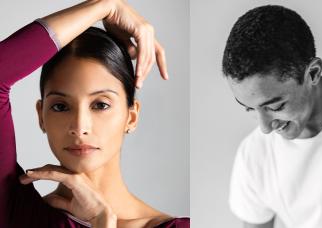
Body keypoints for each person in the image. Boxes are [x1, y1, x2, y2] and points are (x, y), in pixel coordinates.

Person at [0, 0, 189, 227]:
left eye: (100, 105)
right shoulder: (17, 214)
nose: (80, 127)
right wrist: (105, 6)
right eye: (60, 106)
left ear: (132, 117)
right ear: (41, 116)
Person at [222, 5, 322, 228]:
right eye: (250, 108)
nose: (265, 128)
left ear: (313, 73)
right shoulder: (254, 156)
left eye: (275, 106)